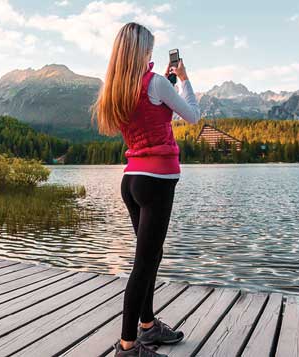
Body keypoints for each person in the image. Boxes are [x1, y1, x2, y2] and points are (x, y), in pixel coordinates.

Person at [92, 22, 200, 357]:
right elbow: (193, 115)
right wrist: (182, 79)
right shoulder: (154, 82)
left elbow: (150, 110)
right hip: (156, 181)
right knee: (144, 263)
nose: (152, 54)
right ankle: (127, 346)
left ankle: (149, 326)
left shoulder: (118, 89)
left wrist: (165, 85)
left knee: (152, 255)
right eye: (149, 49)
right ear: (142, 52)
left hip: (132, 180)